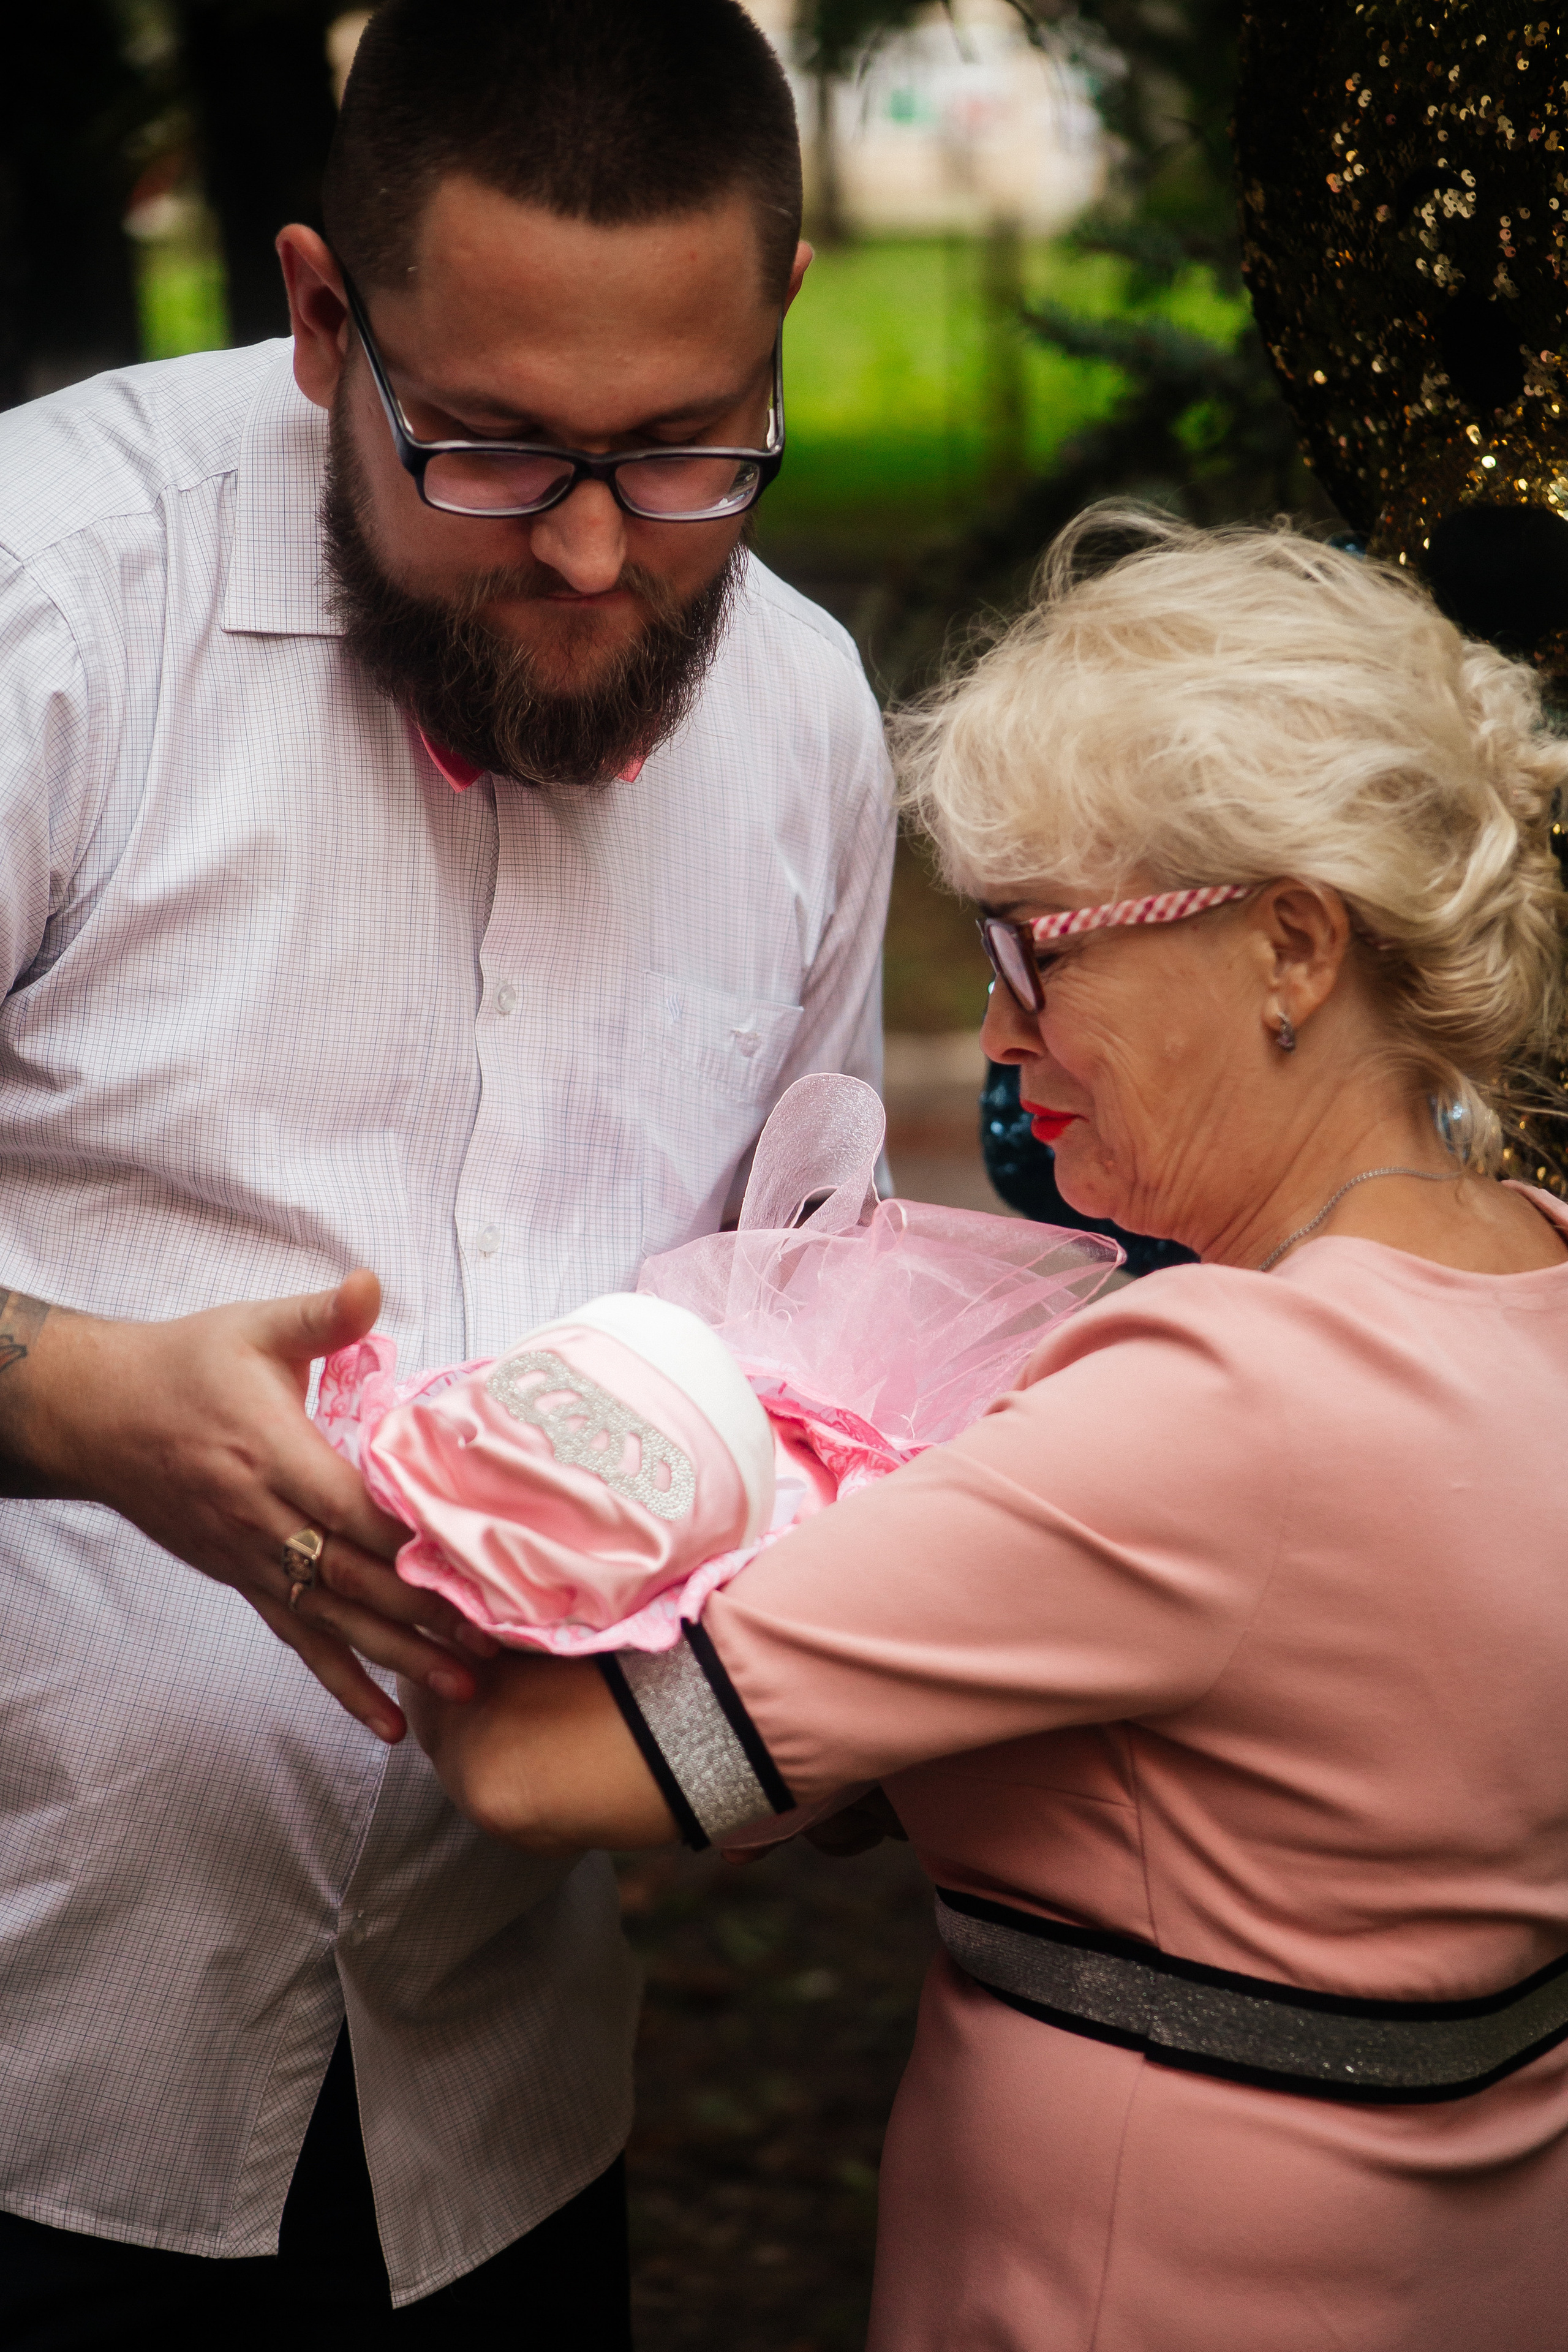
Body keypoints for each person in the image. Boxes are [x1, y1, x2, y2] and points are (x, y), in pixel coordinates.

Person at [411, 513, 1568, 2351]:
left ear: (1290, 944)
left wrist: (379, 1490)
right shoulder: (1536, 1276)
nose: (1003, 1041)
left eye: (1037, 956)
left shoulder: (1221, 1397)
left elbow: (550, 1774)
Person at [0, 1, 892, 2339]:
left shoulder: (804, 716)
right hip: (35, 2058)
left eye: (685, 450)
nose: (595, 553)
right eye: (491, 451)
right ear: (323, 318)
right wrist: (61, 1394)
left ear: (782, 320)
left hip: (501, 2108)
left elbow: (792, 1319)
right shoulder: (50, 594)